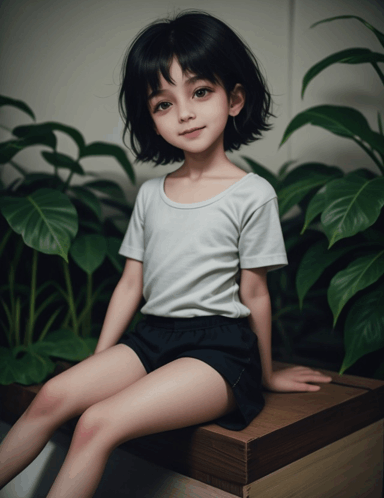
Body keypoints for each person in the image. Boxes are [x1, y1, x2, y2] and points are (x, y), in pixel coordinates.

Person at [0, 10, 332, 497]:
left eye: (200, 92)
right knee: (53, 394)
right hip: (152, 336)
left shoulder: (253, 193)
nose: (185, 113)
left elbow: (255, 291)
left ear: (234, 98)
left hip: (220, 349)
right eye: (162, 103)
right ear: (151, 120)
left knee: (99, 422)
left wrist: (265, 375)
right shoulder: (152, 195)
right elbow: (130, 284)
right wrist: (98, 366)